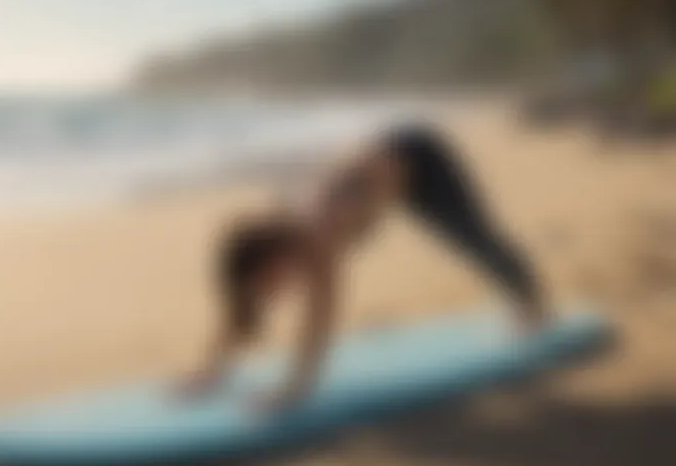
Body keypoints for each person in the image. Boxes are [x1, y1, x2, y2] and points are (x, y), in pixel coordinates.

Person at [178, 123, 547, 410]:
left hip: (420, 158)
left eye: (267, 282)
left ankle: (531, 298)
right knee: (462, 238)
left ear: (274, 257)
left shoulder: (318, 235)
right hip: (381, 173)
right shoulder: (279, 238)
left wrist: (293, 389)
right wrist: (212, 371)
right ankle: (523, 295)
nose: (270, 293)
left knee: (470, 237)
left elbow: (319, 320)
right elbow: (242, 302)